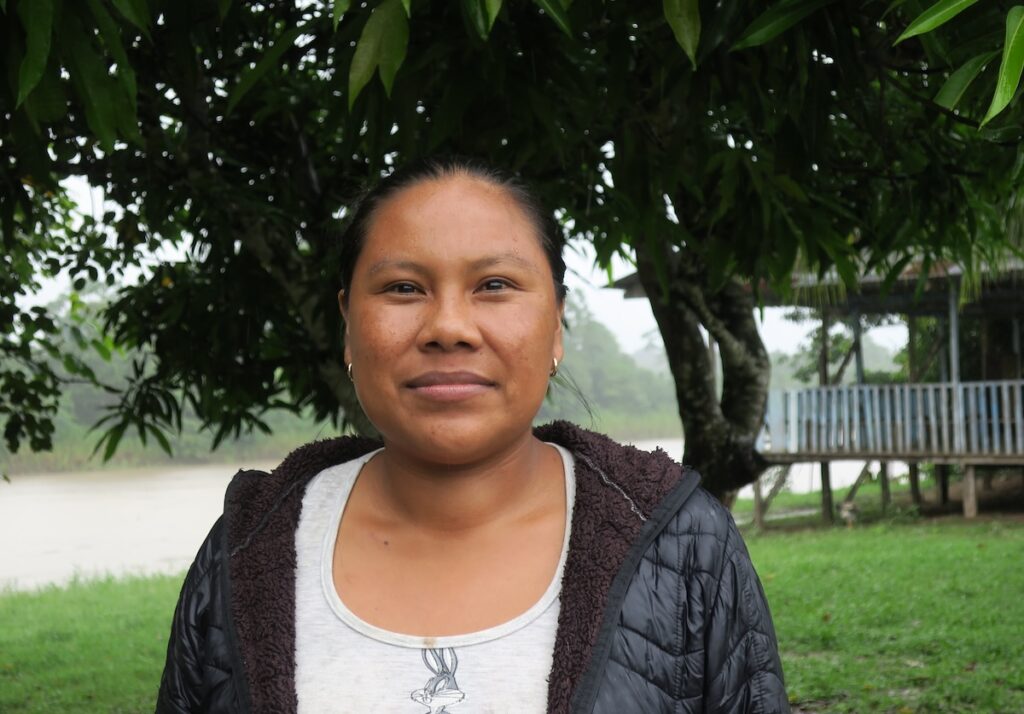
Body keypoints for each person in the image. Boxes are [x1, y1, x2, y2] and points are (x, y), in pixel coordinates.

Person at [156, 157, 789, 714]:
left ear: (557, 327)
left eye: (494, 286)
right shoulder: (248, 546)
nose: (449, 327)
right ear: (349, 324)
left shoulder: (685, 546)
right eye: (404, 288)